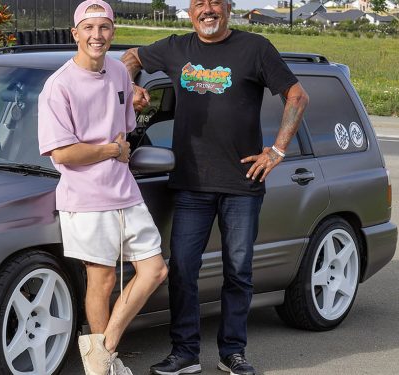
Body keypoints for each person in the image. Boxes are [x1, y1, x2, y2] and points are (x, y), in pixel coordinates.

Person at [121, 0, 309, 373]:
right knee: (183, 269)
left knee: (238, 270)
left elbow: (297, 96)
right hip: (190, 184)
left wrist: (276, 150)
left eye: (215, 3)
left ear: (229, 8)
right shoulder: (175, 48)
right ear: (191, 12)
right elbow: (131, 56)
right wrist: (129, 85)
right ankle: (185, 353)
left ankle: (232, 352)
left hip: (242, 183)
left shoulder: (255, 48)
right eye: (199, 4)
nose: (207, 10)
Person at [37, 0, 169, 374]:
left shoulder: (117, 72)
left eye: (105, 28)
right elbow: (63, 153)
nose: (97, 36)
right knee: (103, 278)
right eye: (89, 28)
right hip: (86, 197)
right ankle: (106, 367)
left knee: (155, 271)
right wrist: (112, 150)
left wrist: (135, 105)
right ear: (75, 34)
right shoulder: (58, 86)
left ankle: (103, 351)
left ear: (112, 32)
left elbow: (124, 127)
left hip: (124, 191)